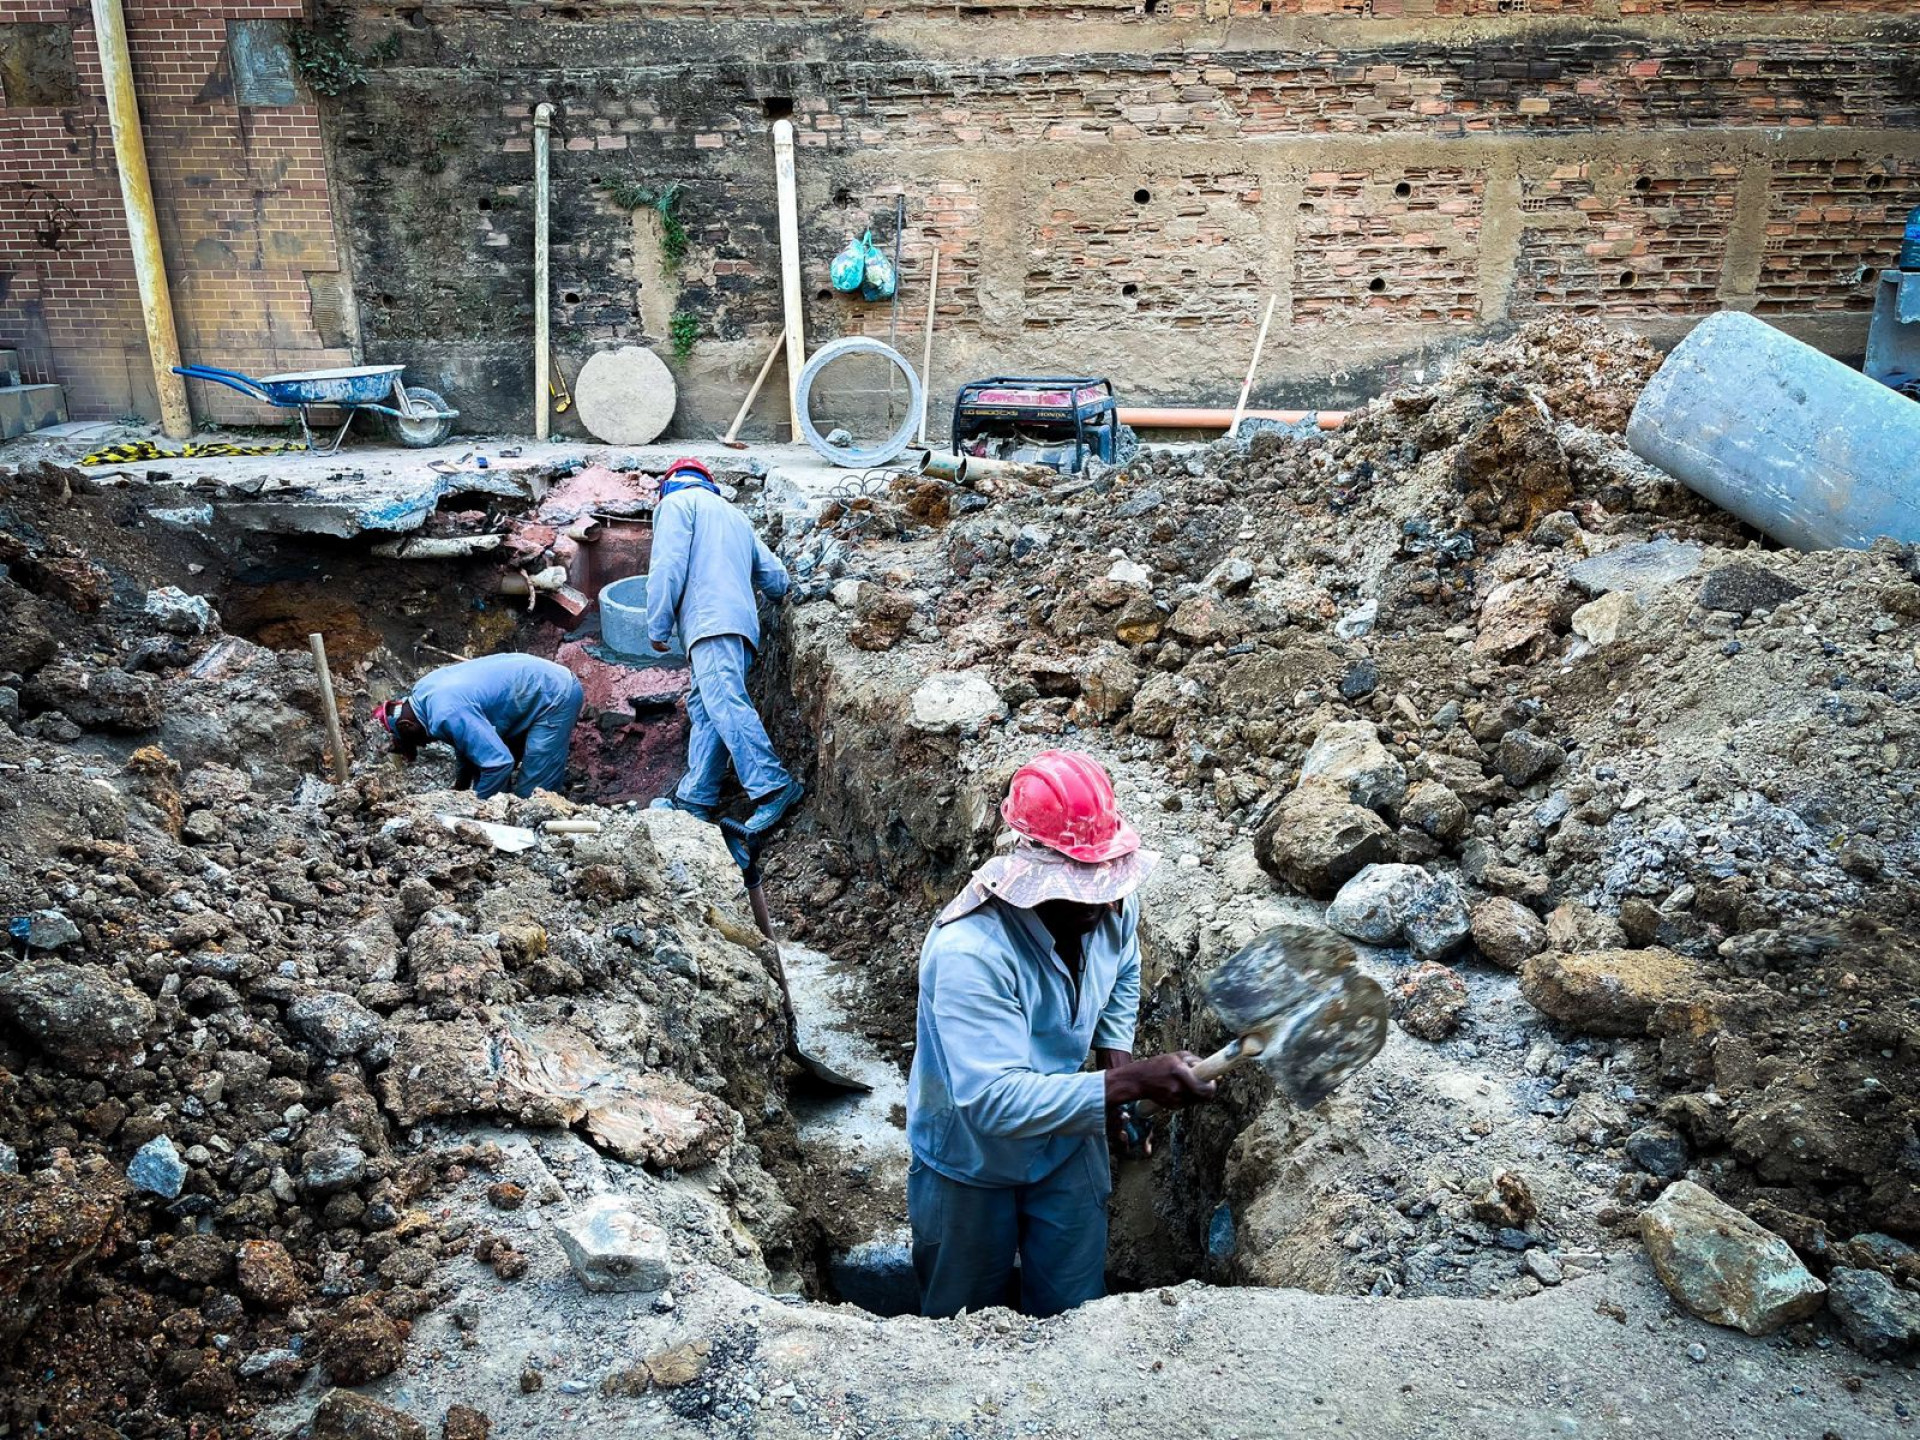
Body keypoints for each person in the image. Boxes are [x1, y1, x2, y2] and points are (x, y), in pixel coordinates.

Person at [906, 749, 1216, 1318]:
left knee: (1077, 1319)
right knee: (961, 1326)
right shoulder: (970, 951)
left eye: (1109, 882)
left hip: (1068, 1139)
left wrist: (1117, 1061)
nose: (1104, 900)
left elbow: (1124, 968)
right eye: (1084, 887)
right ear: (1035, 871)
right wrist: (1129, 1086)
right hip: (969, 1158)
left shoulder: (1110, 907)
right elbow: (992, 1103)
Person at [645, 457, 804, 835]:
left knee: (726, 704)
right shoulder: (734, 515)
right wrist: (780, 593)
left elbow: (667, 566)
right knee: (708, 708)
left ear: (670, 484)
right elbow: (774, 576)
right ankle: (695, 799)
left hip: (710, 623)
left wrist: (658, 625)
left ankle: (773, 786)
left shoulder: (675, 505)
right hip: (740, 626)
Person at [375, 653, 583, 799]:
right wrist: (461, 787)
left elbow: (498, 764)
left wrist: (477, 809)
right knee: (486, 773)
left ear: (407, 725)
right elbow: (466, 745)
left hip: (554, 694)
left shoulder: (446, 712)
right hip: (524, 692)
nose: (424, 745)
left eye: (416, 743)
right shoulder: (424, 691)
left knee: (531, 796)